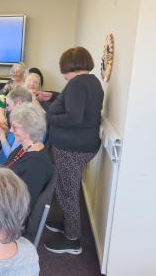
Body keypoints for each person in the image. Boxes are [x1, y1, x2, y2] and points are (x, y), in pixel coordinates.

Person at [44, 46, 103, 255]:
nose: (63, 73)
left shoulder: (77, 84)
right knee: (67, 187)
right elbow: (75, 106)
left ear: (69, 66)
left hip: (72, 147)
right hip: (83, 145)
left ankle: (72, 239)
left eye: (63, 68)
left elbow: (73, 118)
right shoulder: (92, 82)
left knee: (67, 191)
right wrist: (51, 97)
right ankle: (68, 223)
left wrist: (49, 117)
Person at [6, 102, 53, 209]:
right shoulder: (25, 147)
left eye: (15, 127)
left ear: (29, 129)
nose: (11, 130)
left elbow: (21, 208)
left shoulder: (35, 166)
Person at [0, 86, 33, 165]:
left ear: (19, 103)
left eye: (9, 105)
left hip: (7, 168)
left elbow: (11, 157)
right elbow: (14, 140)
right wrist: (7, 132)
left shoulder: (22, 125)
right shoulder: (25, 118)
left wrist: (1, 136)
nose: (8, 109)